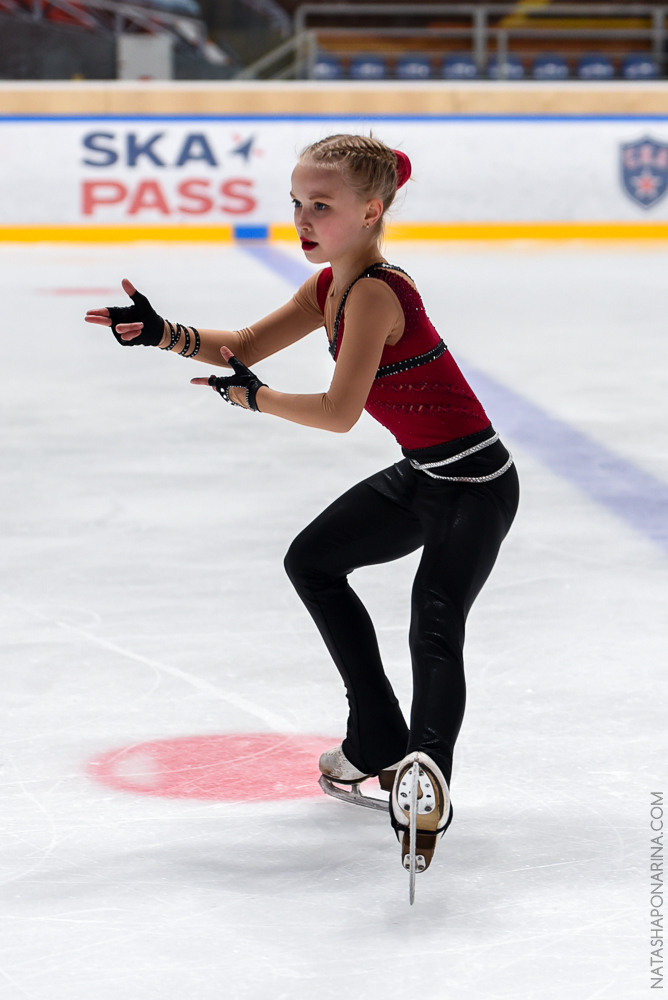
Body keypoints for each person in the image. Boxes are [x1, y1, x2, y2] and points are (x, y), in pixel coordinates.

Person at [85, 133, 519, 885]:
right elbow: (245, 343)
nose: (302, 218)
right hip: (426, 474)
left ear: (372, 211)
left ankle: (424, 777)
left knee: (435, 614)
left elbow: (339, 412)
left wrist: (256, 398)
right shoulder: (329, 290)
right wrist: (162, 334)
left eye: (321, 206)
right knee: (313, 560)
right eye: (296, 203)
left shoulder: (379, 291)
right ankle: (377, 734)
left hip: (476, 484)